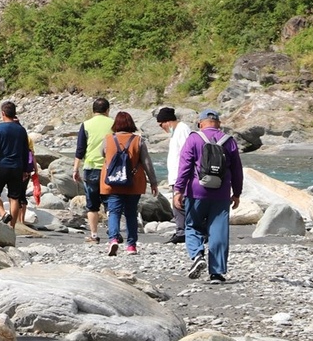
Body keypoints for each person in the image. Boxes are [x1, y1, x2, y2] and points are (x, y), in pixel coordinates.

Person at [174, 109, 243, 284]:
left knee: (193, 225)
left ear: (201, 123)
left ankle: (197, 255)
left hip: (196, 191)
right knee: (219, 231)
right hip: (221, 192)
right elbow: (237, 170)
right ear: (218, 123)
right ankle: (217, 273)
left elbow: (185, 167)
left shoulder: (194, 138)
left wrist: (178, 190)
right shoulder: (229, 141)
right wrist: (237, 193)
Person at [99, 111, 158, 256]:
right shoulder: (138, 140)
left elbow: (102, 154)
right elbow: (147, 163)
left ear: (116, 124)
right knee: (131, 213)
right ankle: (131, 246)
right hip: (133, 183)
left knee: (114, 212)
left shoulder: (108, 139)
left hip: (112, 182)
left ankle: (113, 239)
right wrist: (153, 182)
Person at [0, 101, 30, 228]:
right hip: (17, 167)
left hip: (1, 166)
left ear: (3, 113)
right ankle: (12, 227)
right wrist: (26, 169)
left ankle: (2, 213)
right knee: (14, 198)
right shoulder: (21, 130)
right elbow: (25, 151)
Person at [72, 97, 114, 244]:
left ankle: (94, 235)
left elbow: (80, 149)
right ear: (107, 110)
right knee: (110, 202)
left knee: (92, 204)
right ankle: (113, 232)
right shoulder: (113, 124)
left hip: (91, 168)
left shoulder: (86, 124)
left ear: (93, 110)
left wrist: (75, 169)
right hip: (110, 168)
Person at [157, 106, 191, 244]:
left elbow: (187, 153)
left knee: (181, 204)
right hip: (176, 176)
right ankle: (182, 231)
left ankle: (184, 232)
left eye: (161, 125)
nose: (161, 128)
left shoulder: (182, 130)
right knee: (178, 205)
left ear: (167, 121)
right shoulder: (176, 131)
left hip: (181, 175)